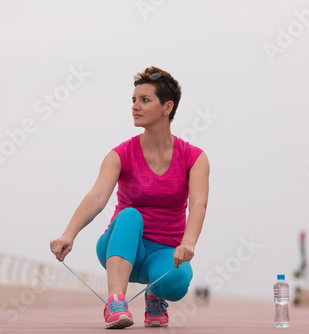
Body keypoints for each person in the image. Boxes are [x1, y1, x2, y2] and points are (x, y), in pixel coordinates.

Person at [50, 66, 210, 329]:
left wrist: (189, 242)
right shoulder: (120, 154)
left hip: (164, 252)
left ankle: (155, 295)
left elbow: (198, 204)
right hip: (120, 248)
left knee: (177, 283)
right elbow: (98, 196)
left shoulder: (194, 158)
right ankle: (115, 302)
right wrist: (69, 234)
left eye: (144, 100)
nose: (135, 106)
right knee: (130, 215)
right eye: (134, 100)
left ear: (167, 107)